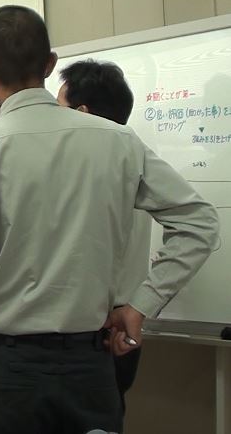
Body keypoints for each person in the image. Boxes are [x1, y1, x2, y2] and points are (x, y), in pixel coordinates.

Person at [0, 5, 219, 434]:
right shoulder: (119, 142)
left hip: (7, 369)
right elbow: (199, 223)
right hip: (89, 365)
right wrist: (141, 303)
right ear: (50, 64)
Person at [57, 59, 150, 413]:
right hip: (121, 328)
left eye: (59, 108)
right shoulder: (138, 162)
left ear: (82, 114)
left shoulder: (79, 178)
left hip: (92, 336)